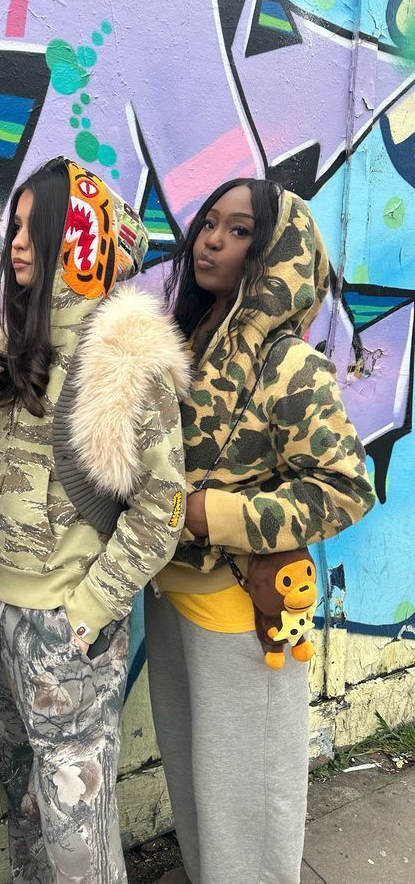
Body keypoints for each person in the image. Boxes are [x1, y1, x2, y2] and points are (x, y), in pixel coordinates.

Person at [0, 156, 192, 883]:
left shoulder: (121, 359)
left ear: (79, 237)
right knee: (27, 816)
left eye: (36, 227)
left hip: (65, 629)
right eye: (15, 226)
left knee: (78, 838)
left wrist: (90, 608)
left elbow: (163, 505)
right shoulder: (13, 350)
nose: (16, 242)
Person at [145, 179, 376, 884]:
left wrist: (212, 515)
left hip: (243, 614)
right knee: (196, 788)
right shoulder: (185, 343)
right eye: (209, 223)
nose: (212, 240)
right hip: (170, 597)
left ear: (276, 253)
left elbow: (347, 488)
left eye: (240, 230)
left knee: (249, 806)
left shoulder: (289, 364)